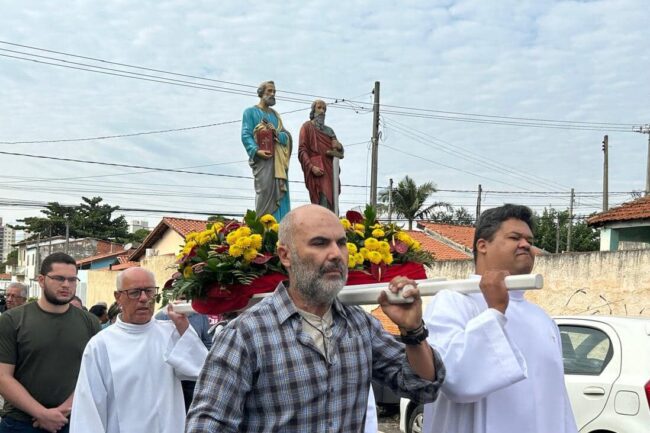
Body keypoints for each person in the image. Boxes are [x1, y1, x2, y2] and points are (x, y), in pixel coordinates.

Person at [186, 204, 445, 432]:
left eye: (341, 243)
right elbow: (208, 425)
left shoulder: (361, 326)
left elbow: (422, 386)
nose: (336, 254)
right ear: (285, 255)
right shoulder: (247, 334)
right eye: (320, 243)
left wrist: (413, 331)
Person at [422, 204, 577, 433]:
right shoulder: (452, 302)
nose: (526, 244)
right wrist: (495, 311)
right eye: (515, 237)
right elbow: (456, 382)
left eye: (529, 240)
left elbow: (558, 403)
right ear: (482, 245)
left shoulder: (542, 319)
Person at [69, 267, 208, 433]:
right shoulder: (101, 345)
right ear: (118, 297)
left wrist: (184, 327)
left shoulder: (171, 332)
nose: (143, 298)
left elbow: (202, 372)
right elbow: (88, 408)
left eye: (149, 291)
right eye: (135, 292)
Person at [0, 252, 100, 433]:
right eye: (59, 278)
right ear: (41, 280)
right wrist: (41, 413)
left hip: (73, 420)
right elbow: (2, 377)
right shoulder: (12, 320)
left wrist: (62, 412)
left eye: (72, 280)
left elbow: (94, 375)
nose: (66, 285)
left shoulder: (90, 322)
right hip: (20, 422)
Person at [241, 80, 292, 220]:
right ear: (261, 93)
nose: (273, 94)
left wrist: (276, 133)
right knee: (264, 192)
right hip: (262, 161)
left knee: (280, 198)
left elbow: (286, 136)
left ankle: (281, 229)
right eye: (269, 91)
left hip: (278, 162)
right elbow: (246, 135)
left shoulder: (276, 116)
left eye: (274, 91)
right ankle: (263, 231)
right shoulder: (250, 112)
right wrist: (256, 151)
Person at [155, 302, 212, 412]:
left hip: (194, 371)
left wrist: (201, 355)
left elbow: (207, 341)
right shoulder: (161, 317)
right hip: (173, 375)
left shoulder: (201, 315)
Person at [298, 99, 344, 211]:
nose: (322, 111)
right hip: (318, 170)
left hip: (331, 170)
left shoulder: (329, 131)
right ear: (313, 110)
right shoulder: (307, 127)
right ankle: (322, 225)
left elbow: (340, 153)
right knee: (323, 199)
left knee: (333, 201)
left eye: (324, 109)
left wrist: (339, 146)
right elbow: (302, 150)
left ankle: (332, 225)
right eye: (319, 108)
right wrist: (311, 167)